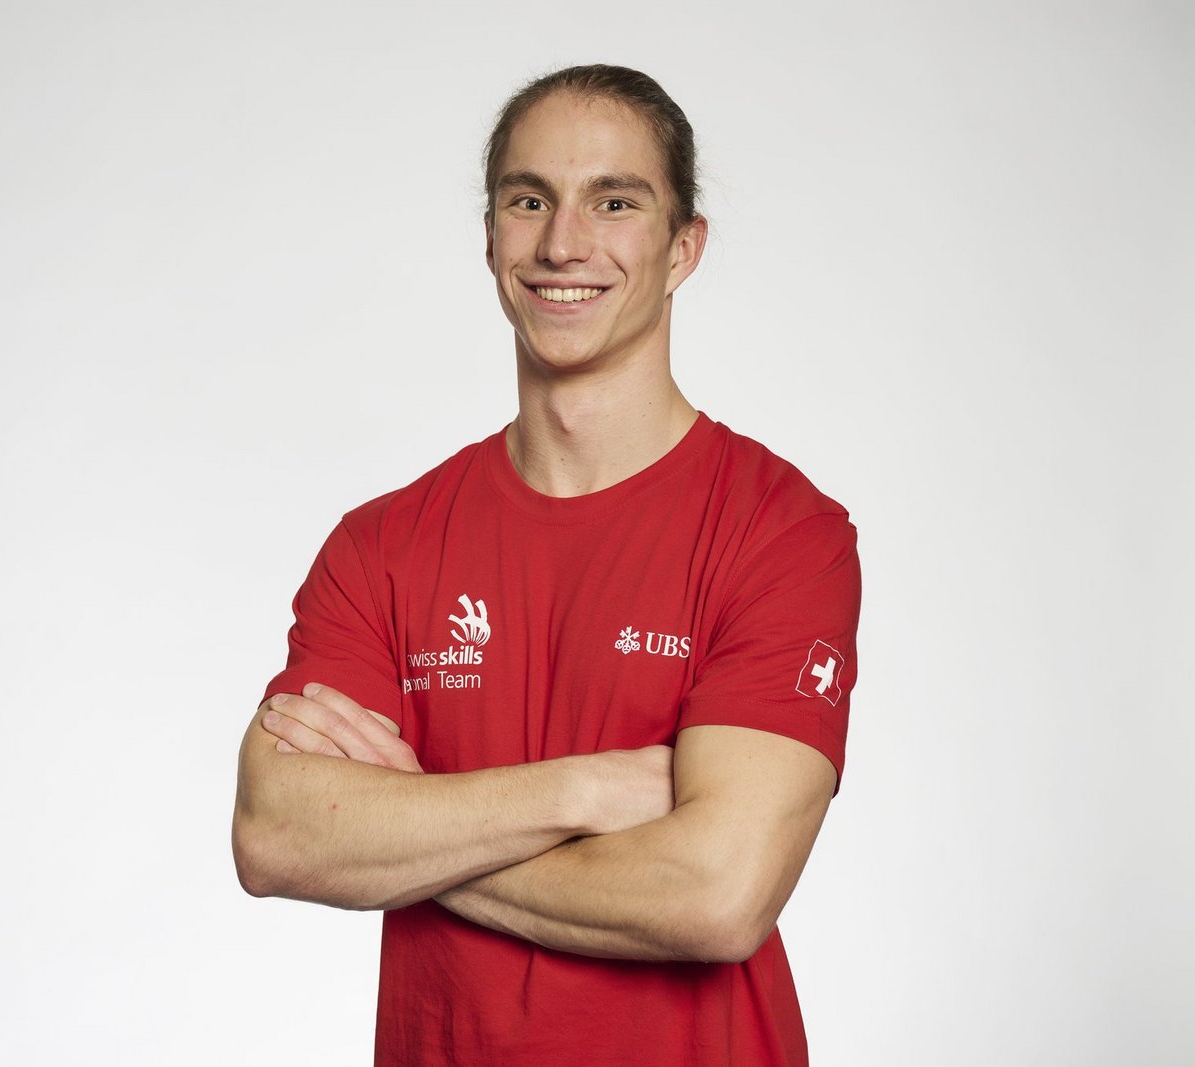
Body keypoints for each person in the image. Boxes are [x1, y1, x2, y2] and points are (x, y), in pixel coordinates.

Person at [232, 63, 861, 1066]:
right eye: (529, 201)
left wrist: (416, 824)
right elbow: (276, 836)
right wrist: (584, 791)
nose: (563, 243)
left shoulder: (779, 531)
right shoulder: (381, 545)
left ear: (683, 248)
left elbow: (716, 893)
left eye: (615, 202)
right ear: (490, 237)